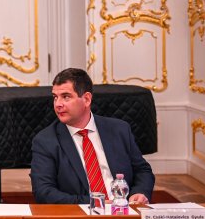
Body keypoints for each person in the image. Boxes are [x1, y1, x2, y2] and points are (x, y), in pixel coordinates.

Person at [30, 68, 155, 204]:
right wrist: (96, 202)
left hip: (123, 209)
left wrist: (140, 192)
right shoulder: (45, 141)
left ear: (86, 99)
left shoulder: (119, 129)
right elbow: (44, 192)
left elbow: (142, 171)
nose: (58, 104)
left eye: (66, 97)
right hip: (80, 213)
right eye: (55, 97)